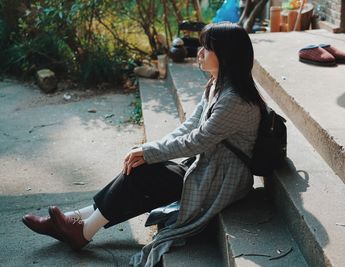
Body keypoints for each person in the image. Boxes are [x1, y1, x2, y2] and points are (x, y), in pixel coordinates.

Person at [22, 22, 264, 267]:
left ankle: (80, 230)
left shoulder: (235, 100)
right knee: (140, 168)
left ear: (226, 55)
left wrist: (148, 152)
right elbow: (189, 126)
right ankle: (74, 222)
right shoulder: (216, 84)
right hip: (207, 168)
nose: (200, 52)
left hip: (222, 181)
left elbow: (198, 140)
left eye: (207, 48)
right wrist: (148, 149)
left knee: (144, 171)